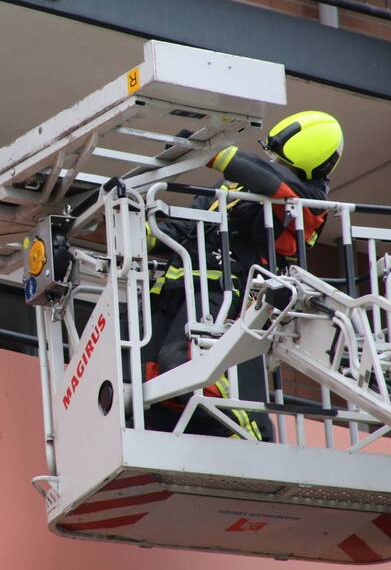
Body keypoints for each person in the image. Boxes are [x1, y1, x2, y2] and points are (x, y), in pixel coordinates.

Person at [142, 111, 344, 438]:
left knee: (180, 361)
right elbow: (191, 226)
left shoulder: (306, 200)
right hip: (180, 285)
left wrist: (214, 153)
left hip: (227, 291)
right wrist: (142, 229)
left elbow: (270, 180)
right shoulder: (234, 187)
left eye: (280, 160)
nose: (273, 163)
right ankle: (198, 429)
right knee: (150, 377)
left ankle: (251, 427)